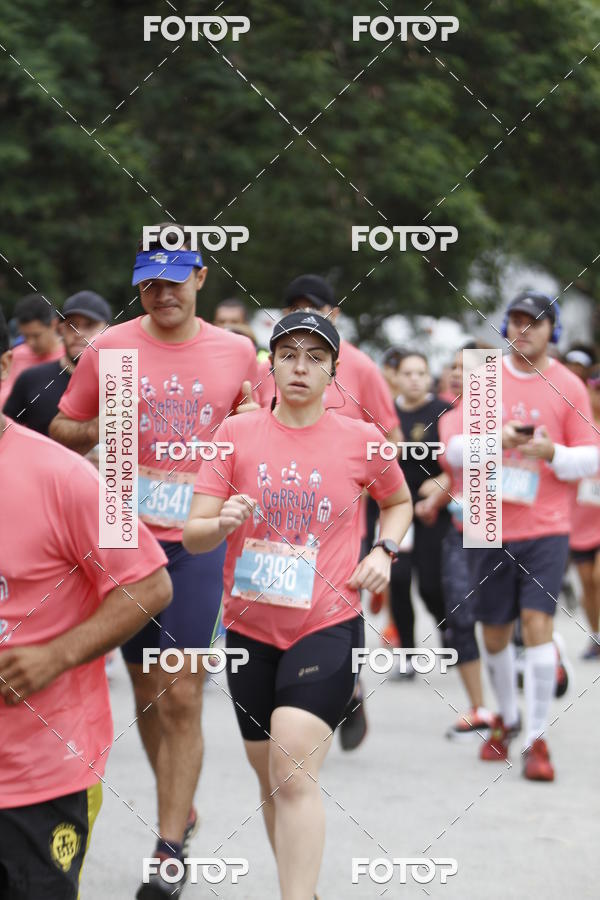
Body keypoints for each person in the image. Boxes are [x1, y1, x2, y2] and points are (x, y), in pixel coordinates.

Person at [49, 223, 259, 899]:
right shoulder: (109, 346)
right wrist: (105, 425)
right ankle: (183, 805)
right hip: (120, 531)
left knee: (182, 690)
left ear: (201, 278)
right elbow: (60, 426)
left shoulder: (237, 351)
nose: (160, 292)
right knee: (146, 691)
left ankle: (169, 847)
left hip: (194, 537)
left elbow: (257, 428)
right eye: (149, 281)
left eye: (174, 280)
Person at [183, 310, 412, 900]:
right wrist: (220, 521)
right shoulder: (236, 434)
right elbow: (193, 533)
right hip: (249, 631)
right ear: (271, 365)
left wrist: (385, 550)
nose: (301, 367)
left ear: (335, 370)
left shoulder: (362, 440)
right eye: (289, 355)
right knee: (274, 781)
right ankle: (301, 889)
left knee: (289, 767)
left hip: (324, 624)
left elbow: (399, 502)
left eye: (315, 357)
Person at [0, 305, 172, 900]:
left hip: (37, 775)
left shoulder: (63, 477)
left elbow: (150, 584)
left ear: (4, 366)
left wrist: (53, 656)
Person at [468, 292, 598, 780]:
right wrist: (494, 440)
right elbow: (452, 451)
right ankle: (506, 716)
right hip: (487, 519)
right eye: (517, 321)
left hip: (547, 526)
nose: (524, 330)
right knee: (495, 631)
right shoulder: (483, 376)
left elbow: (592, 456)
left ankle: (536, 738)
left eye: (535, 322)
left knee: (537, 624)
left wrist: (552, 453)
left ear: (553, 331)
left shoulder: (568, 384)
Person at [279, 275, 404, 751]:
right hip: (283, 501)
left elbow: (390, 437)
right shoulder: (274, 363)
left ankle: (346, 682)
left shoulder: (362, 367)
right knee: (286, 588)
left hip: (344, 505)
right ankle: (293, 673)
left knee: (340, 589)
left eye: (313, 307)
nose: (302, 314)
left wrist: (366, 477)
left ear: (334, 314)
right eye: (293, 306)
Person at [435, 346, 494, 738]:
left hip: (513, 527)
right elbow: (454, 469)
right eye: (453, 367)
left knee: (510, 618)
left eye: (466, 368)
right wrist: (433, 495)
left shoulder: (510, 416)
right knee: (459, 615)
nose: (457, 373)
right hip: (464, 526)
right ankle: (479, 707)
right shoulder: (450, 419)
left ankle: (548, 651)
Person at [389, 352, 450, 679]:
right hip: (395, 507)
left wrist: (442, 482)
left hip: (431, 510)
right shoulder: (386, 413)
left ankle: (448, 627)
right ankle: (408, 654)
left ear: (429, 377)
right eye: (408, 373)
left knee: (430, 584)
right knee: (398, 580)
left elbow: (461, 462)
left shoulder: (443, 412)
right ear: (395, 377)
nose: (414, 379)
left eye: (421, 373)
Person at [3, 291, 111, 436]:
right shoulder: (30, 378)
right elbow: (5, 431)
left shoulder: (123, 381)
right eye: (72, 325)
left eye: (89, 325)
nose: (78, 333)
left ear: (109, 330)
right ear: (61, 329)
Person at [569, 363, 600, 658]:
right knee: (588, 583)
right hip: (580, 519)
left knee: (599, 577)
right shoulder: (579, 425)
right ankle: (596, 636)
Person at [0, 293, 63, 407]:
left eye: (36, 336)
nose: (30, 343)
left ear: (54, 324)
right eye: (25, 336)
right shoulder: (15, 356)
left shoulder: (67, 359)